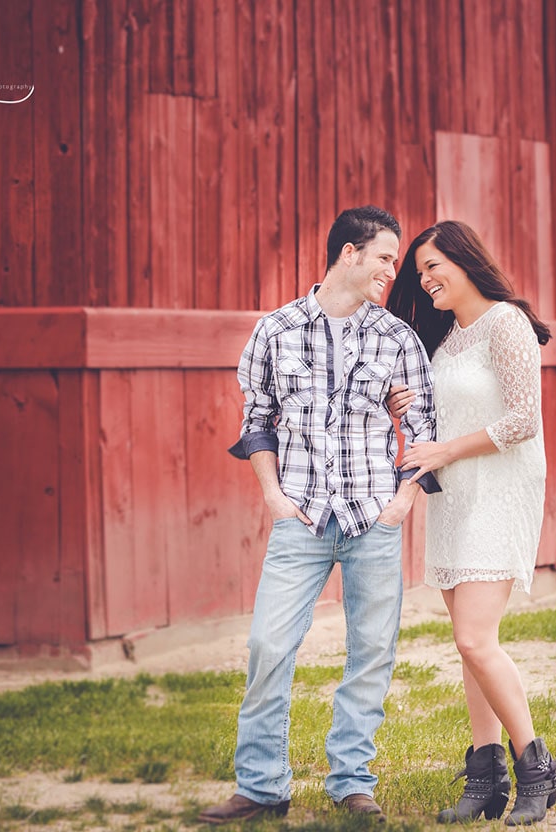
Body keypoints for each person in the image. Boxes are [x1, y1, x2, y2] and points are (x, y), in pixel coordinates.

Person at [200, 206, 441, 826]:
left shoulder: (397, 339)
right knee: (268, 644)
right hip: (300, 518)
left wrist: (400, 505)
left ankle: (352, 782)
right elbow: (256, 422)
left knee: (371, 653)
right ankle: (261, 786)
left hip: (372, 518)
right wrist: (274, 498)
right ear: (348, 253)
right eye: (384, 257)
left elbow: (423, 430)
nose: (392, 271)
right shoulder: (276, 331)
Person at [385, 220, 556, 826]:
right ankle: (486, 778)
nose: (425, 280)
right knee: (469, 647)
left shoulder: (505, 323)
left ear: (465, 261)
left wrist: (443, 450)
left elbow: (523, 420)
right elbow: (455, 410)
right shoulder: (445, 340)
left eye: (433, 266)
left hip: (500, 492)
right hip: (456, 498)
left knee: (474, 639)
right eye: (420, 272)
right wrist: (409, 407)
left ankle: (537, 767)